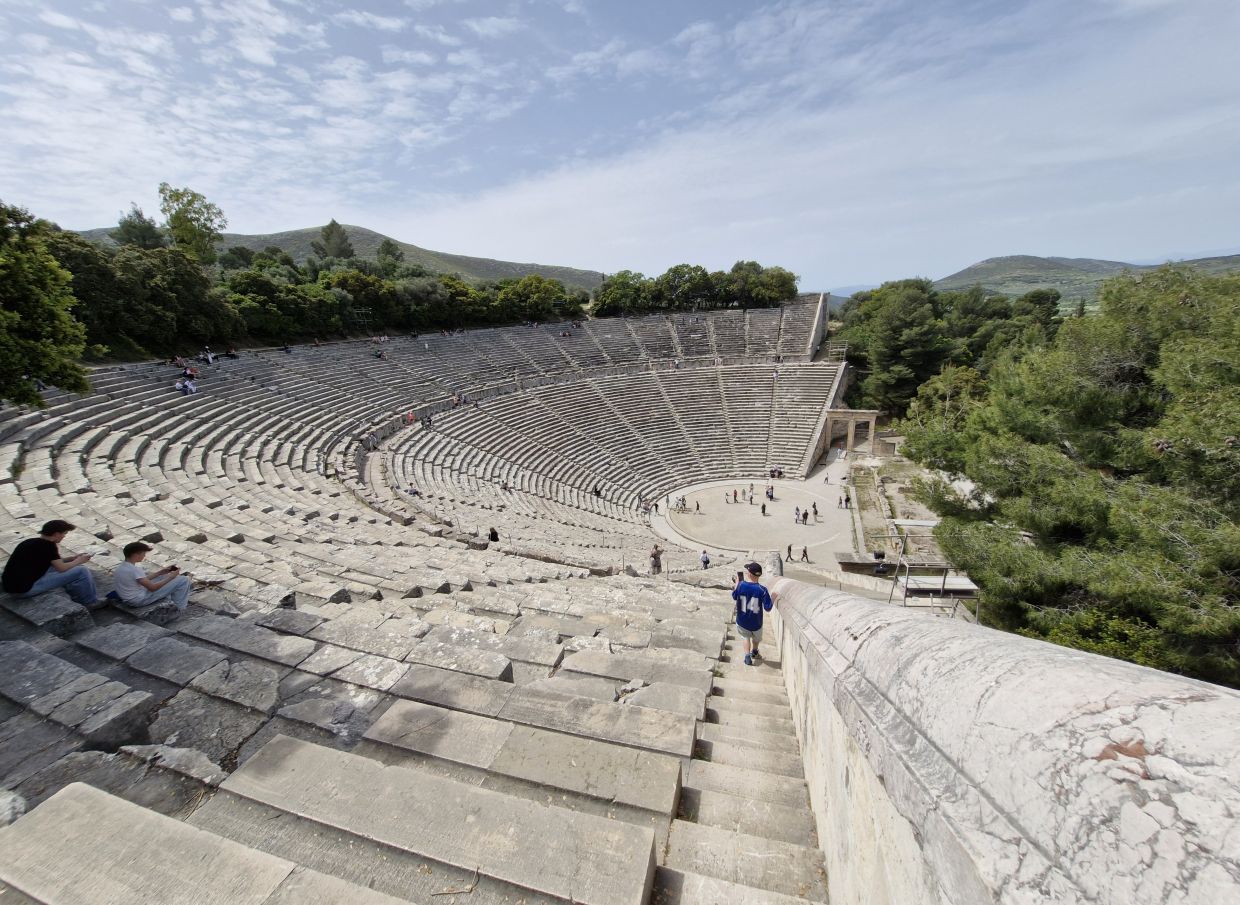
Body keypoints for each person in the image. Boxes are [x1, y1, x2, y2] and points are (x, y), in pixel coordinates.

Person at [2, 520, 99, 608]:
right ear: (56, 534)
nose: (64, 536)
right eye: (64, 533)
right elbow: (62, 568)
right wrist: (79, 561)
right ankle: (90, 602)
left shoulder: (29, 542)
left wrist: (72, 559)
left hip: (11, 586)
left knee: (70, 566)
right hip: (24, 590)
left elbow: (51, 562)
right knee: (81, 570)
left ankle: (76, 593)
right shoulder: (48, 546)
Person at [113, 542, 192, 612]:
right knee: (184, 580)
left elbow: (141, 580)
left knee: (164, 576)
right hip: (139, 600)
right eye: (143, 554)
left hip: (130, 598)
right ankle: (179, 609)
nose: (144, 556)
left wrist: (160, 573)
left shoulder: (121, 567)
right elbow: (153, 588)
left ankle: (171, 599)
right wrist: (171, 577)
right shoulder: (135, 570)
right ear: (136, 555)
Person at [733, 562, 773, 666]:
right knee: (756, 639)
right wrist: (773, 598)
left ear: (749, 574)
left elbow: (734, 596)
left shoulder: (741, 585)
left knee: (745, 637)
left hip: (742, 621)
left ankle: (747, 656)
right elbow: (768, 608)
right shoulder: (762, 590)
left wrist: (736, 584)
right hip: (756, 623)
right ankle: (754, 651)